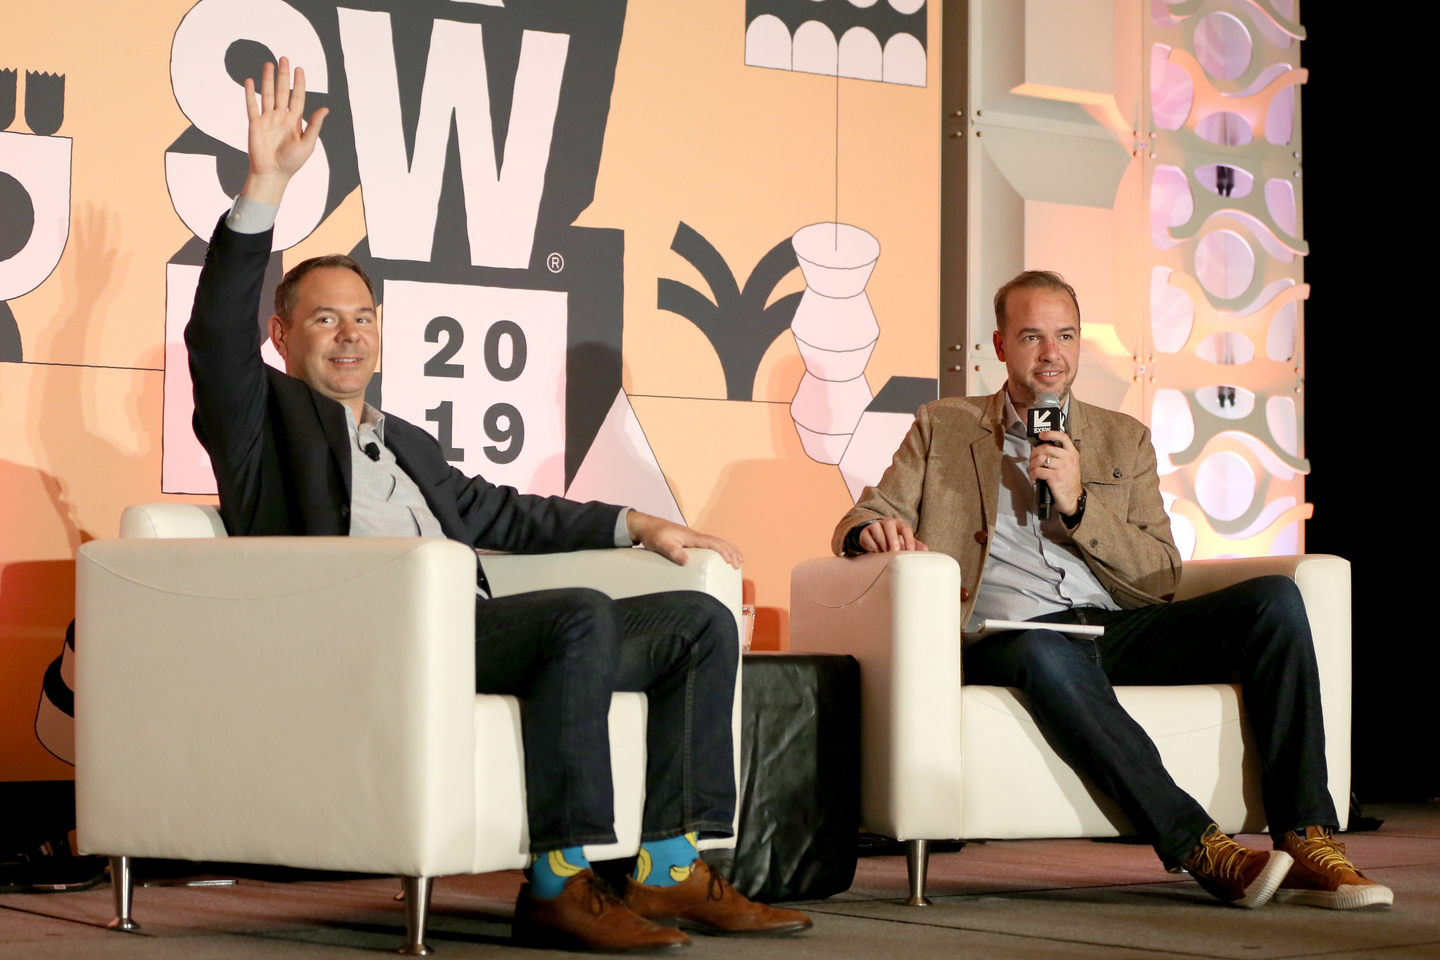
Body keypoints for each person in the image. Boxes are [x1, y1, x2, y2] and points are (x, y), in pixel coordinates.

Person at [187, 58, 811, 951]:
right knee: (576, 616)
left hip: (461, 627)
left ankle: (671, 867)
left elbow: (503, 515)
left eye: (363, 316)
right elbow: (215, 337)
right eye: (325, 319)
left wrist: (639, 523)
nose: (351, 334)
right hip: (364, 629)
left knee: (698, 623)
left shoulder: (403, 439)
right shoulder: (262, 423)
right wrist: (264, 188)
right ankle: (558, 882)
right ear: (281, 335)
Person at [832, 269, 1391, 912]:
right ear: (1001, 345)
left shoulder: (1124, 436)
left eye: (1065, 336)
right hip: (1009, 635)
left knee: (1273, 601)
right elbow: (862, 515)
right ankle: (1204, 849)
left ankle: (1309, 838)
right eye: (1033, 337)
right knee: (1045, 649)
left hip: (1111, 625)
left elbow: (1161, 574)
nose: (1052, 354)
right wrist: (873, 532)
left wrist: (1078, 505)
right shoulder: (943, 426)